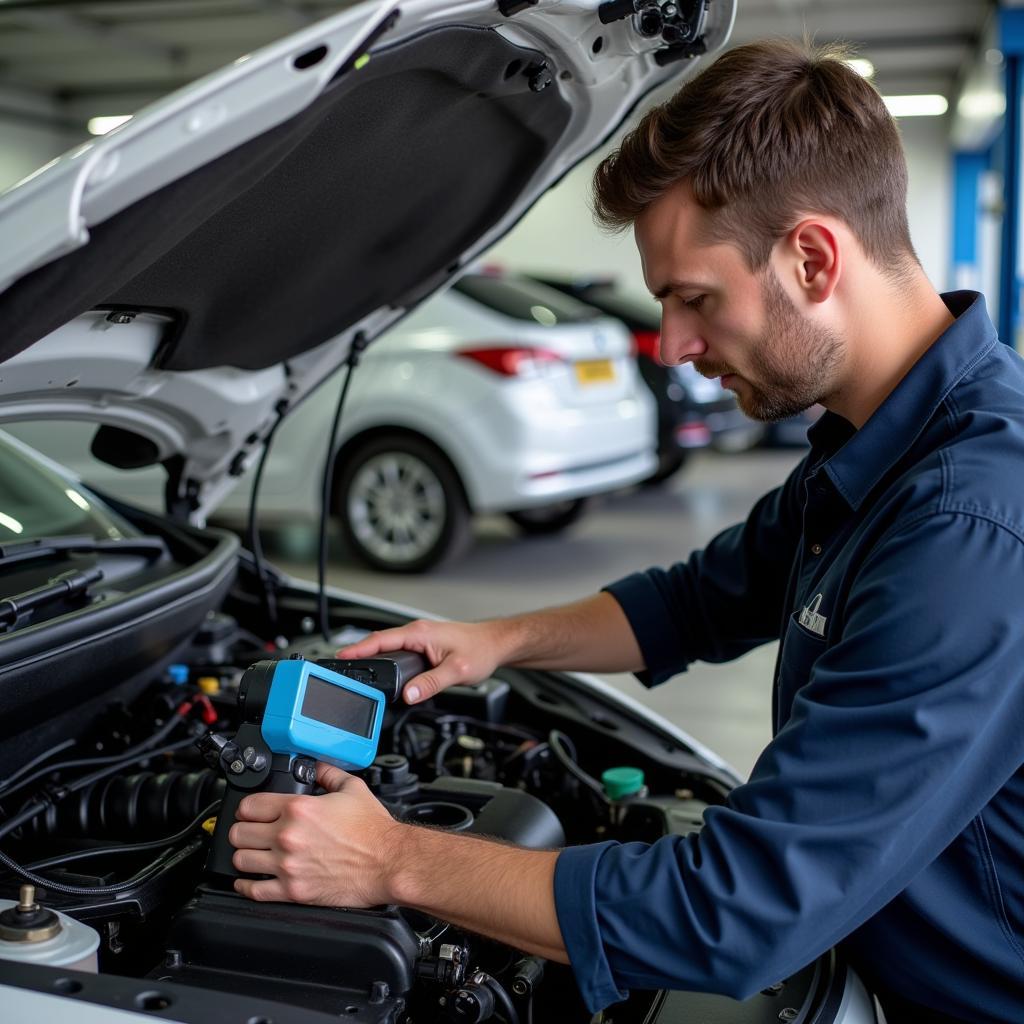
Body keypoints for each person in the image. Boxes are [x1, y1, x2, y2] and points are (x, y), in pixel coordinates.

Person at [228, 40, 1024, 1023]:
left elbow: (735, 911)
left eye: (694, 299)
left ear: (813, 259)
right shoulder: (882, 436)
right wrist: (493, 641)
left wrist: (393, 858)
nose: (675, 348)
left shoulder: (966, 527)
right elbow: (697, 599)